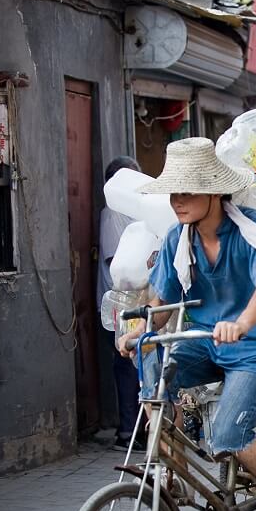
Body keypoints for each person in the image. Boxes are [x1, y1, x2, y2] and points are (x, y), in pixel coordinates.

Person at [118, 137, 256, 511]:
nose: (177, 202)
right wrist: (140, 329)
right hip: (206, 342)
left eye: (187, 192)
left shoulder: (248, 228)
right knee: (151, 351)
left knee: (228, 434)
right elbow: (163, 300)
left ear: (214, 192)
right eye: (173, 194)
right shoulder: (176, 240)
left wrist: (243, 323)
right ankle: (172, 464)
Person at [99, 156, 146, 452]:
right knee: (127, 364)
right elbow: (119, 264)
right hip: (121, 302)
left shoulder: (131, 211)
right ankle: (127, 433)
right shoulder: (112, 214)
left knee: (139, 362)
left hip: (139, 300)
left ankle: (139, 428)